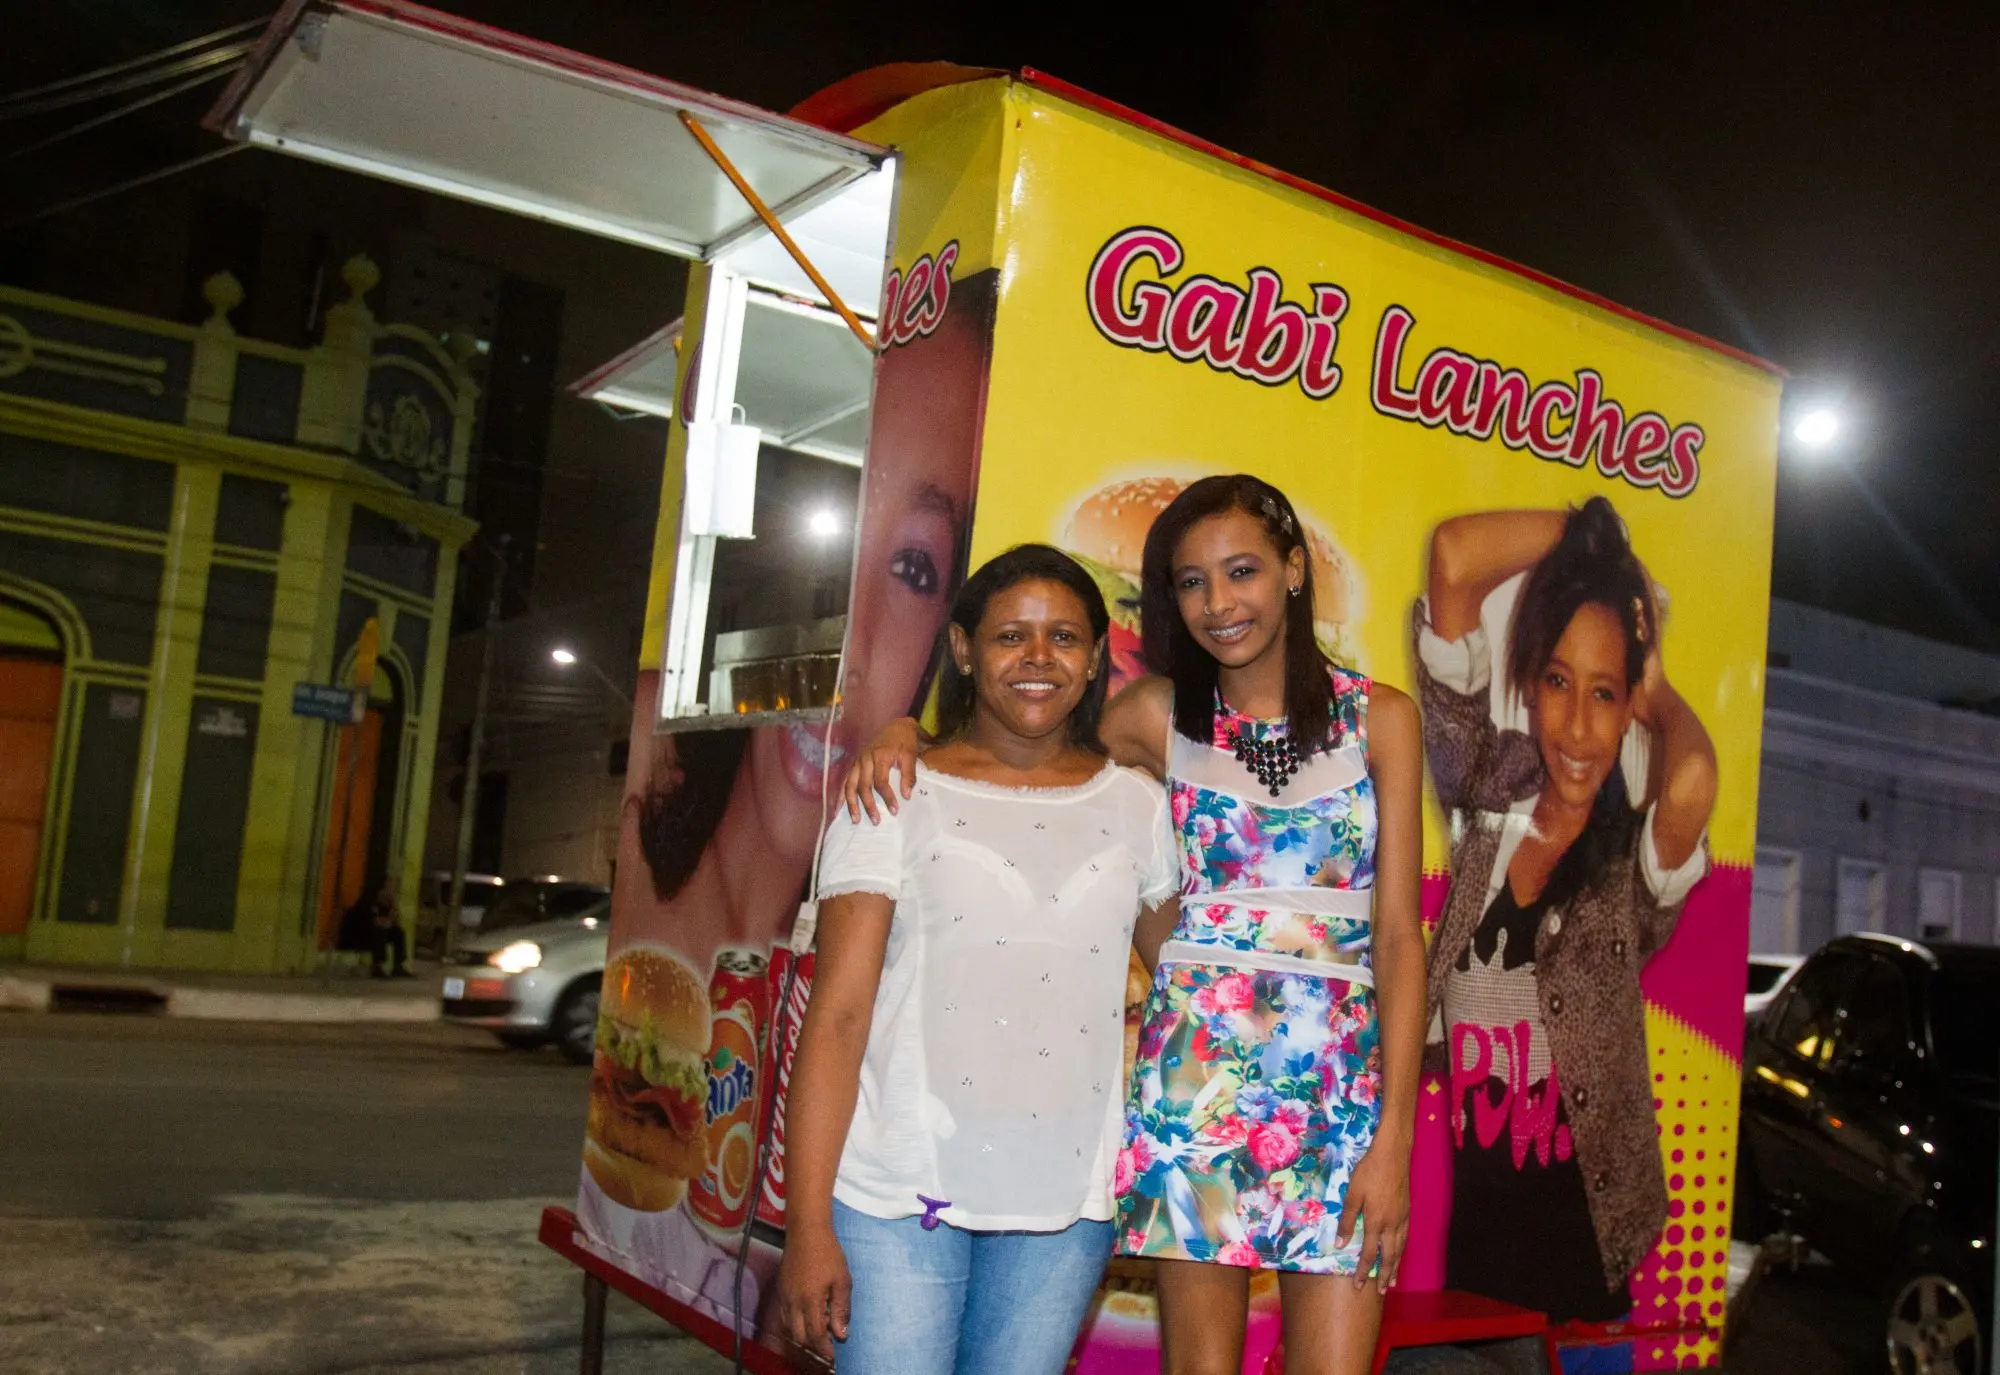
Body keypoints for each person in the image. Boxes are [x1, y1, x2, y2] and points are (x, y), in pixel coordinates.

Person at [842, 476, 1426, 1375]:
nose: (1218, 602)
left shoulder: (1381, 719)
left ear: (1293, 570)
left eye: (1241, 571)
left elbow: (1397, 939)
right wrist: (906, 735)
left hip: (1340, 1091)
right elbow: (1022, 747)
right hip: (1194, 1084)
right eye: (1192, 582)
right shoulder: (1156, 715)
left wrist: (1395, 1140)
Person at [775, 545, 1180, 1374]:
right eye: (1010, 636)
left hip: (1066, 1203)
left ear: (1095, 658)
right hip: (897, 1191)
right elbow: (839, 1015)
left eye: (1064, 636)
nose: (1038, 657)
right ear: (963, 649)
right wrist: (806, 1224)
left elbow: (1197, 978)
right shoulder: (892, 792)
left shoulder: (1138, 807)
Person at [1415, 497, 1717, 1322]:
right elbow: (1453, 554)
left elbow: (1692, 780)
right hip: (1473, 1275)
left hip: (1586, 1281)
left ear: (1628, 710)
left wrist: (1658, 689)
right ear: (1529, 684)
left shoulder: (1629, 871)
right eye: (1557, 682)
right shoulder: (1485, 794)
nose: (1579, 728)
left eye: (1605, 693)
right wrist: (1593, 544)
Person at [341, 880, 410, 978]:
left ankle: (398, 966)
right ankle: (377, 966)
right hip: (357, 935)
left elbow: (394, 922)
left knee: (398, 932)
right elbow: (376, 922)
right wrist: (389, 919)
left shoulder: (385, 905)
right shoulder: (369, 902)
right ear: (381, 890)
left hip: (373, 933)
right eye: (389, 890)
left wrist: (394, 905)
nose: (391, 893)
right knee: (379, 932)